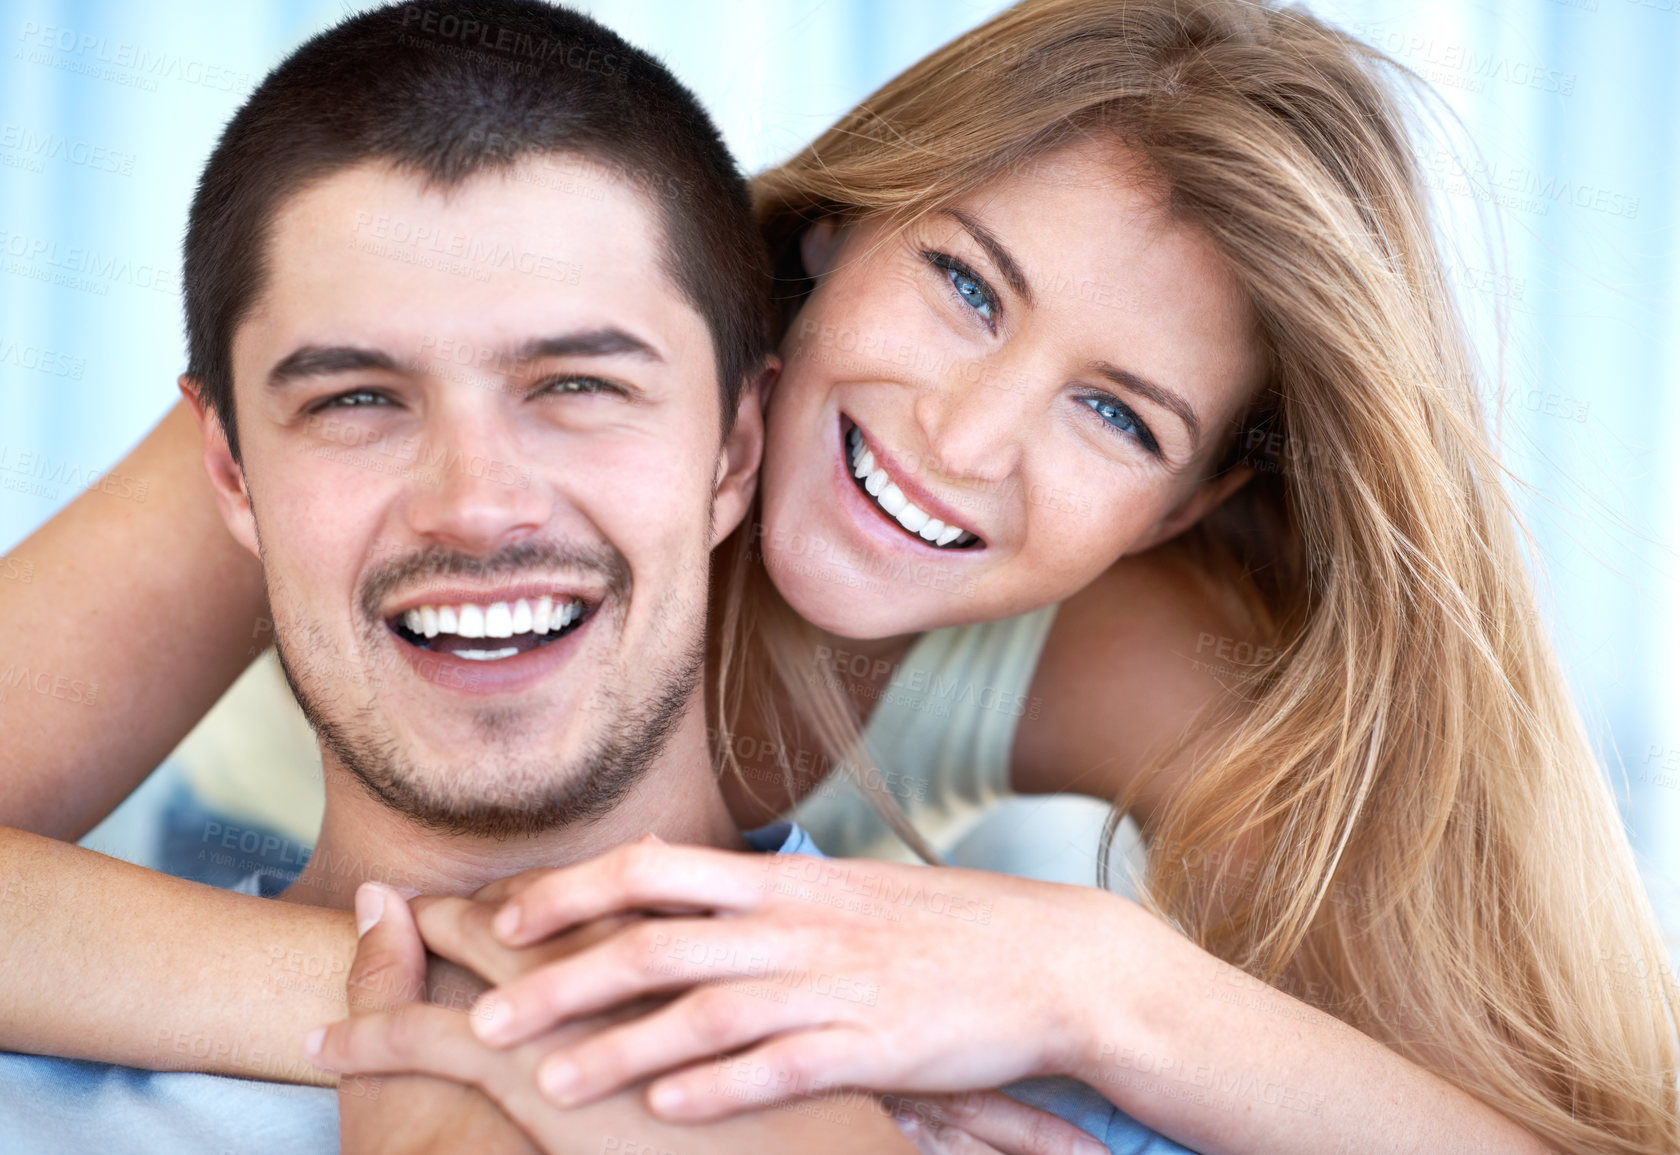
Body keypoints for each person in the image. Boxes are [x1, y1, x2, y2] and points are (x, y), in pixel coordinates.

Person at [0, 0, 1680, 1151]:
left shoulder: (1110, 637)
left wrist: (1091, 987)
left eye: (1116, 416)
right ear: (831, 233)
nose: (965, 439)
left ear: (1193, 501)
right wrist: (462, 1002)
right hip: (202, 936)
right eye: (969, 286)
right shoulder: (453, 356)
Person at [0, 4, 1140, 1153]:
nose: (478, 503)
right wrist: (513, 1012)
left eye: (579, 385)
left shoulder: (1024, 1087)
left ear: (737, 449)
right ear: (231, 474)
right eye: (356, 399)